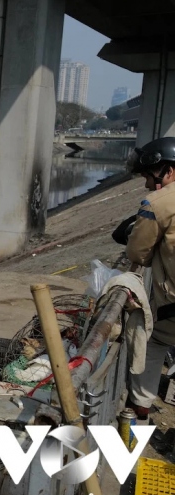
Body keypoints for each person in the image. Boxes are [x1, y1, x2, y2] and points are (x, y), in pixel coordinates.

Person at [125, 137, 175, 420]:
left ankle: (140, 406)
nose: (146, 183)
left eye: (148, 175)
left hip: (172, 306)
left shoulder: (158, 202)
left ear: (167, 171)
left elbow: (138, 253)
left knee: (153, 340)